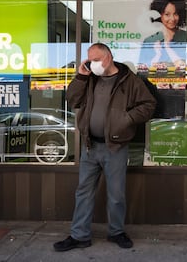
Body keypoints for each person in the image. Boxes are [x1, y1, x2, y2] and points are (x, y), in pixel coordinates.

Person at [53, 43, 156, 251]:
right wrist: (80, 77)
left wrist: (126, 119)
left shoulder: (129, 81)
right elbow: (72, 99)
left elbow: (148, 105)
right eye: (90, 60)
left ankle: (116, 232)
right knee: (83, 191)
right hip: (90, 146)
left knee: (116, 194)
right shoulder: (89, 78)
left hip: (115, 147)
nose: (93, 64)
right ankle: (79, 235)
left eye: (97, 60)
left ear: (108, 57)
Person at [140, 0, 187, 68]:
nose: (172, 18)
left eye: (175, 14)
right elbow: (142, 72)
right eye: (167, 14)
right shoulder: (150, 41)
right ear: (159, 15)